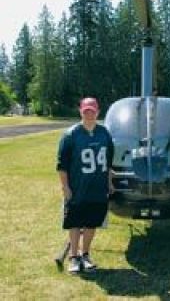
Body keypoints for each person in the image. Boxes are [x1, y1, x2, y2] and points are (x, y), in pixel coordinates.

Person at [56, 97, 114, 274]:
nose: (89, 114)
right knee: (74, 222)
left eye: (92, 111)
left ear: (98, 112)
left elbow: (109, 162)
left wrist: (109, 182)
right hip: (78, 187)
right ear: (80, 111)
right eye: (86, 111)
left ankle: (85, 254)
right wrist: (65, 187)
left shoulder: (104, 133)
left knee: (91, 222)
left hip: (98, 187)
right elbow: (62, 165)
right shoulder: (71, 135)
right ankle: (74, 257)